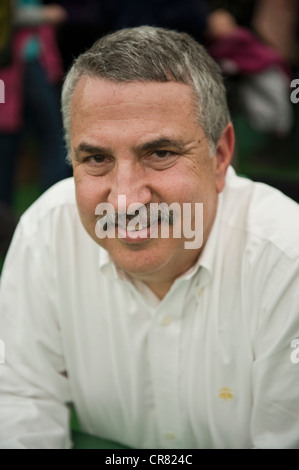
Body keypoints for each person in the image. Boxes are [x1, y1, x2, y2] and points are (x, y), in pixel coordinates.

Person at [0, 26, 299, 449]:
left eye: (160, 153)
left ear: (221, 155)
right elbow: (19, 399)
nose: (124, 201)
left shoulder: (288, 262)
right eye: (97, 158)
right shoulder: (46, 233)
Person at [0, 0, 69, 206]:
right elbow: (11, 13)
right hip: (18, 67)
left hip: (14, 71)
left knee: (10, 138)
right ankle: (53, 203)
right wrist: (46, 15)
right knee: (54, 136)